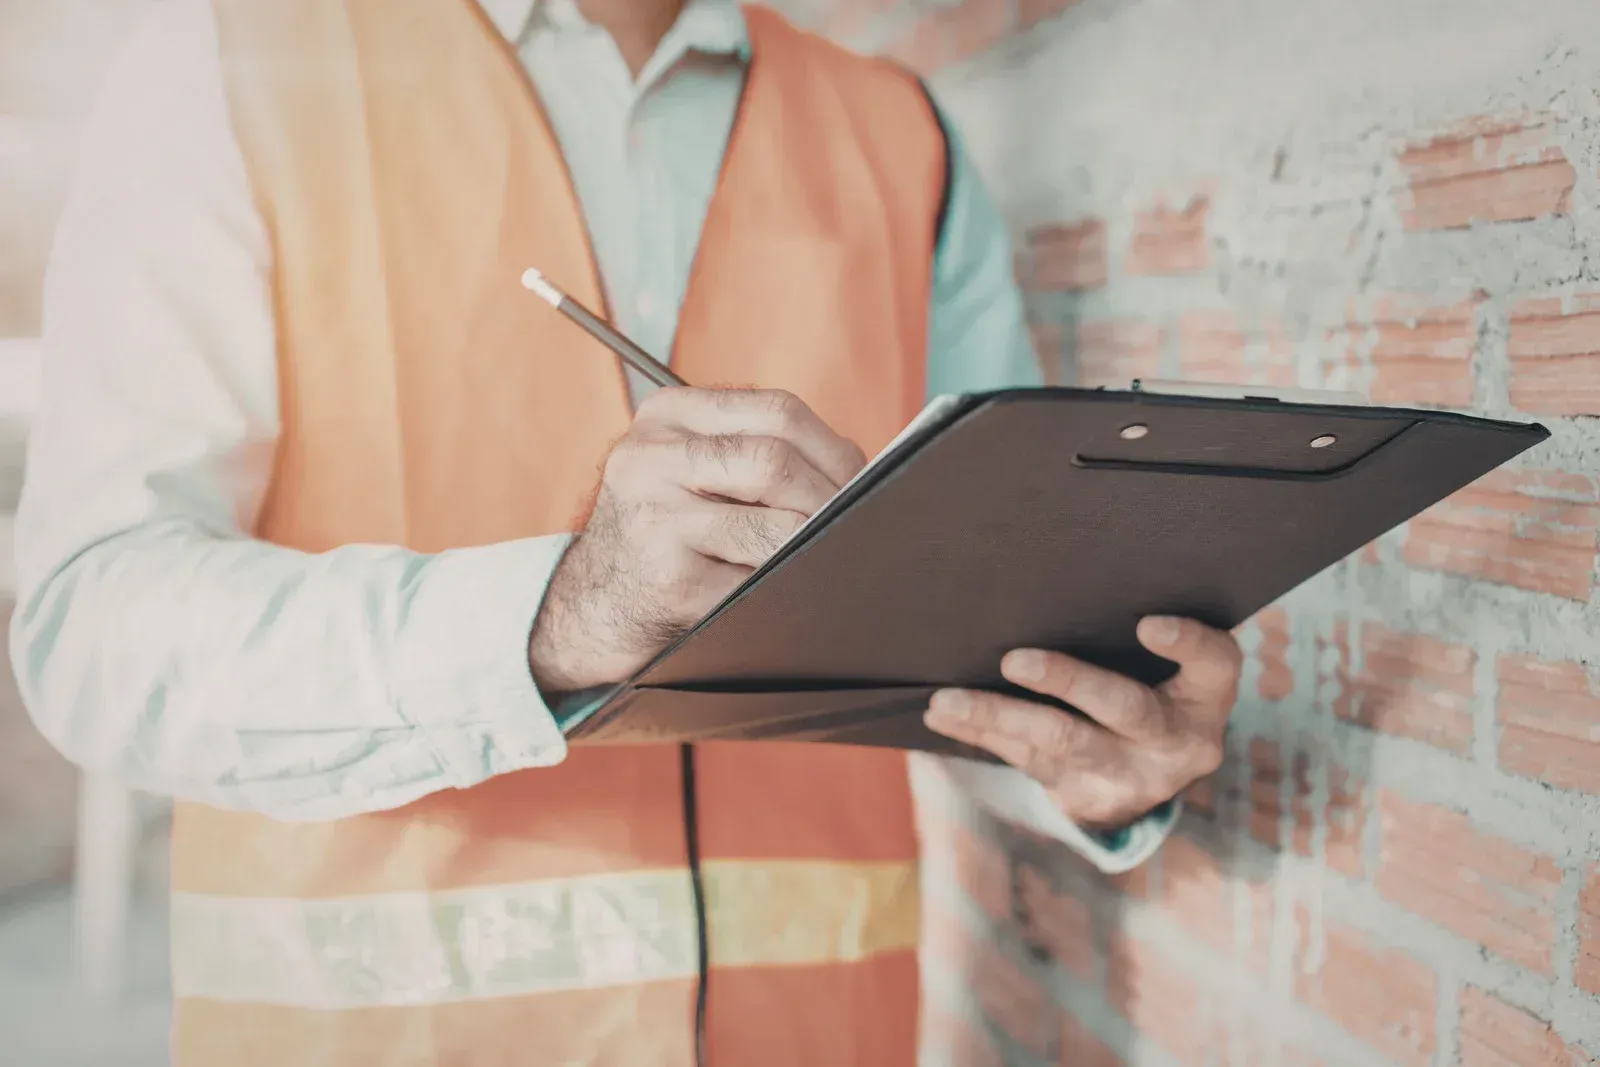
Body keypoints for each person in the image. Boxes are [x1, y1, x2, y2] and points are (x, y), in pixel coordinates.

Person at [13, 0, 1241, 1063]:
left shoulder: (902, 140)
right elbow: (91, 627)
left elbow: (983, 629)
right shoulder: (232, 64)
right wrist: (558, 616)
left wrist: (1088, 757)